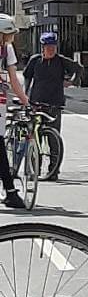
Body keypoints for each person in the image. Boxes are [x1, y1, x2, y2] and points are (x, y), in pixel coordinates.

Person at [22, 31, 82, 181]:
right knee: (35, 139)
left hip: (54, 104)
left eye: (53, 47)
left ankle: (53, 171)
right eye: (48, 47)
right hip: (36, 104)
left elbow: (78, 68)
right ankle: (34, 169)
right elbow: (27, 76)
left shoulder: (61, 61)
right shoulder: (35, 60)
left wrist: (72, 82)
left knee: (54, 139)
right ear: (42, 47)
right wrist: (25, 96)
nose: (51, 50)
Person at [0, 15, 31, 208]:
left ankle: (10, 190)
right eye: (10, 34)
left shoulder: (7, 49)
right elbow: (13, 80)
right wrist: (26, 101)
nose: (12, 37)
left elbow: (12, 80)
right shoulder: (7, 50)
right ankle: (10, 190)